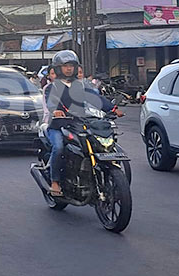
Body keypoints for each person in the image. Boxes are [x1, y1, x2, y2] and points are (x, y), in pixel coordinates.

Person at [44, 50, 123, 197]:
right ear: (57, 68)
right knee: (59, 147)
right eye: (65, 66)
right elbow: (51, 102)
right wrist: (56, 111)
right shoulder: (52, 87)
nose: (69, 69)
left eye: (71, 65)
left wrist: (113, 109)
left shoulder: (80, 86)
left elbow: (96, 98)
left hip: (78, 124)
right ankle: (55, 181)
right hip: (58, 126)